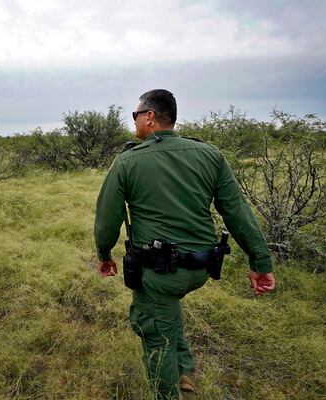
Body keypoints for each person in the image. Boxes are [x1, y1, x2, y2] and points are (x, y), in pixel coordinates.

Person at [93, 89, 275, 399]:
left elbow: (106, 221)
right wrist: (261, 264)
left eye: (135, 115)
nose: (133, 121)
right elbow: (238, 213)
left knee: (155, 334)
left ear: (150, 117)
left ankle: (170, 390)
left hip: (159, 271)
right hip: (201, 267)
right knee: (168, 307)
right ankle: (184, 370)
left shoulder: (127, 161)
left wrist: (105, 255)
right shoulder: (209, 154)